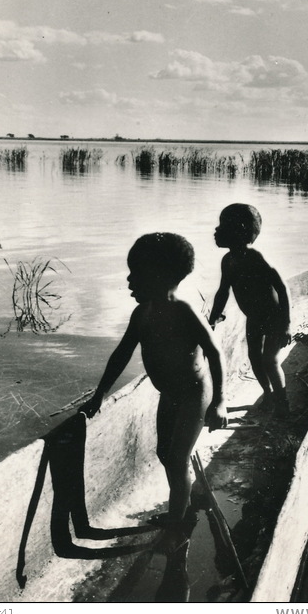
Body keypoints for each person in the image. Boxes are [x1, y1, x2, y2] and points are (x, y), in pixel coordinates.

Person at [80, 232, 228, 552]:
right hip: (169, 394)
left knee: (177, 458)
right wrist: (99, 394)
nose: (129, 279)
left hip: (193, 392)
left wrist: (219, 402)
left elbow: (215, 354)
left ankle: (179, 527)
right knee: (164, 453)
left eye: (137, 273)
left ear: (160, 277)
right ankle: (180, 507)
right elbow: (121, 355)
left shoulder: (185, 312)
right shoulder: (143, 314)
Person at [209, 204, 291, 417]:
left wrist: (287, 325)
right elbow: (223, 292)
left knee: (270, 360)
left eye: (223, 226)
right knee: (254, 359)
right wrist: (213, 317)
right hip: (253, 318)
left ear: (240, 230)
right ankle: (268, 394)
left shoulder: (256, 257)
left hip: (274, 317)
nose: (216, 231)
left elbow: (282, 288)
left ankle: (282, 402)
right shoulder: (227, 261)